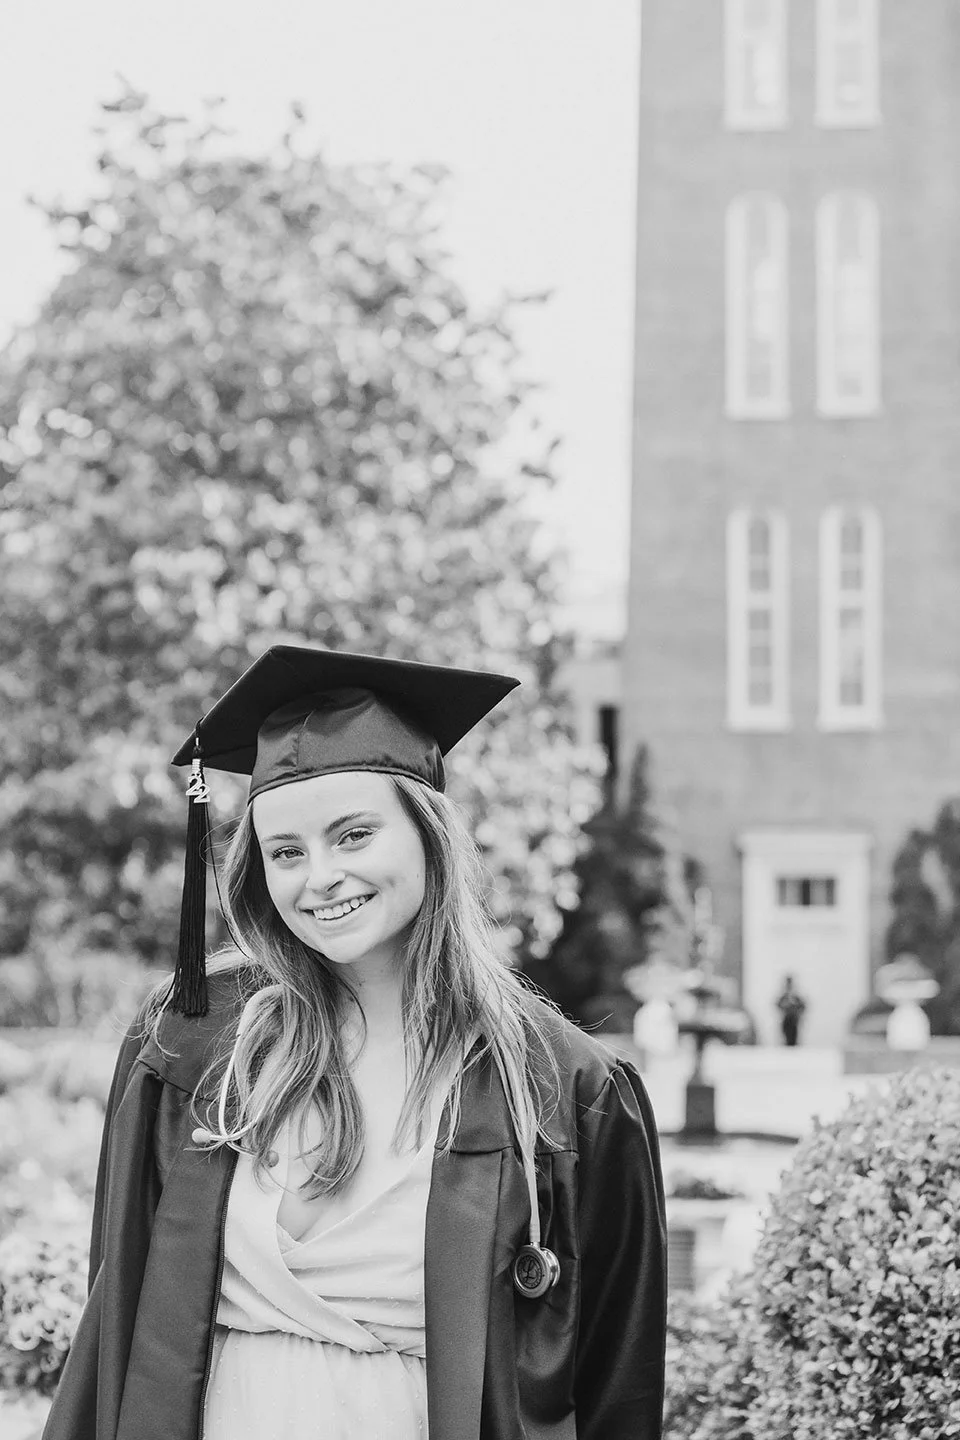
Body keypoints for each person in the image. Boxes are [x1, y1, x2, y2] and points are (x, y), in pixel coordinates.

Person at [43, 645, 667, 1440]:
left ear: (427, 834)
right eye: (287, 851)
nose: (320, 876)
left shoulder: (560, 1089)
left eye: (354, 834)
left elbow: (616, 1386)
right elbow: (117, 1306)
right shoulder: (193, 1042)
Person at [776, 974, 807, 1047]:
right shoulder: (784, 996)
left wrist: (796, 1008)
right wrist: (784, 1006)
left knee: (793, 1038)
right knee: (786, 1038)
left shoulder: (796, 997)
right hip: (786, 1020)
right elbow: (778, 1005)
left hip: (794, 1020)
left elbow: (802, 1006)